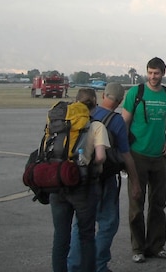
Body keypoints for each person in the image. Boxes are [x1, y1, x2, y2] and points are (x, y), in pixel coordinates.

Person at [67, 83, 142, 272]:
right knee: (108, 222)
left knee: (81, 224)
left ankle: (74, 266)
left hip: (78, 176)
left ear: (103, 95)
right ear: (120, 100)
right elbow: (126, 155)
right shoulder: (116, 121)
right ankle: (98, 265)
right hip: (103, 178)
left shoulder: (83, 115)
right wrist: (135, 183)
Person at [121, 57, 166, 263]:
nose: (153, 77)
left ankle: (156, 245)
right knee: (136, 202)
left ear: (163, 73)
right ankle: (138, 247)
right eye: (150, 73)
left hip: (160, 156)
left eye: (157, 73)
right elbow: (124, 123)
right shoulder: (136, 93)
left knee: (158, 203)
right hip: (137, 155)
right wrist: (123, 154)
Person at [51, 88, 109, 272]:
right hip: (82, 187)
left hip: (57, 183)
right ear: (94, 103)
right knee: (86, 235)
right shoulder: (96, 126)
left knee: (61, 236)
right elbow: (100, 156)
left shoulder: (59, 123)